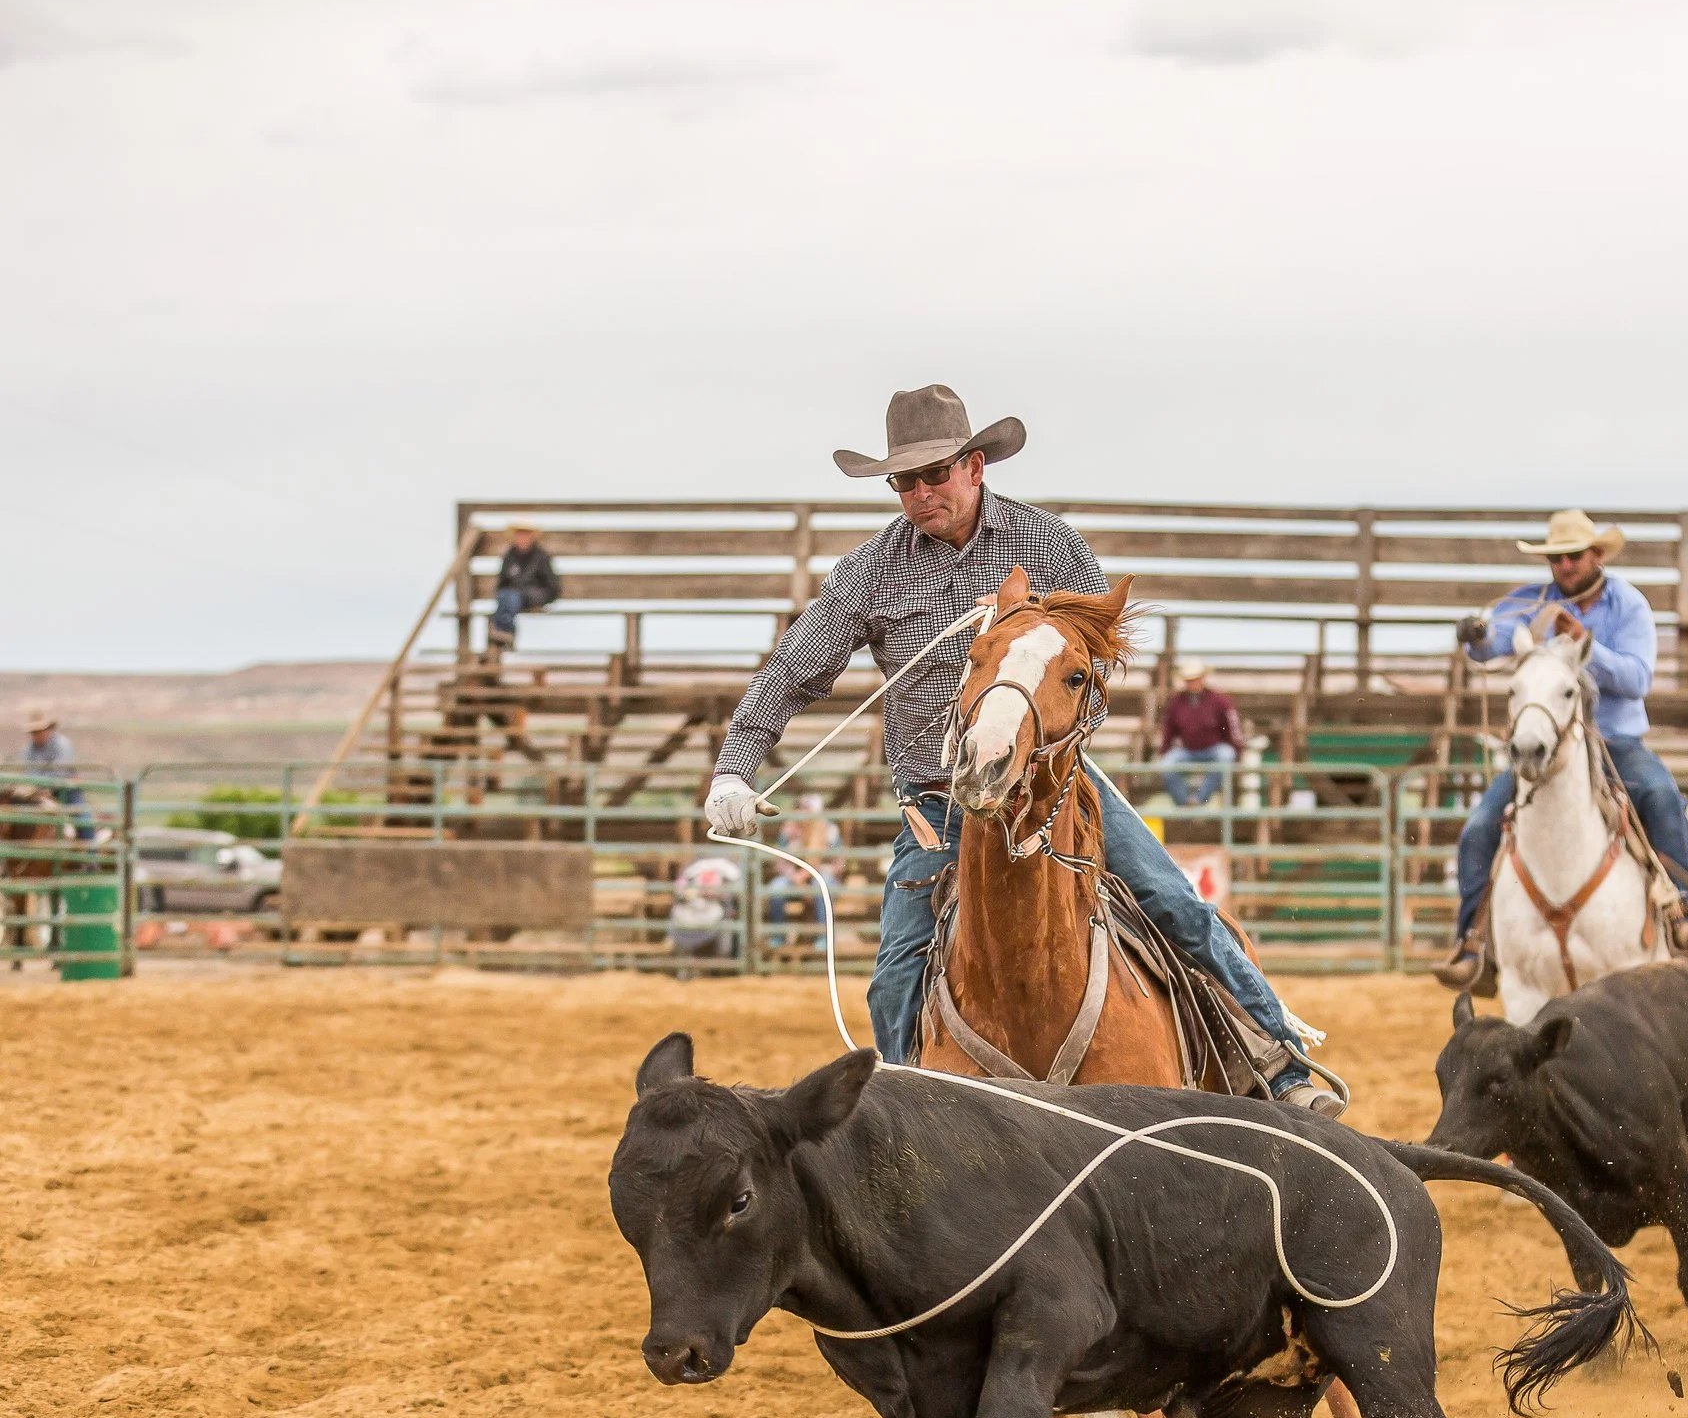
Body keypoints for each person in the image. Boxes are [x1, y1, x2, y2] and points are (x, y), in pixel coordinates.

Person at [701, 385, 1332, 1112]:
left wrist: (1038, 685)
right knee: (895, 974)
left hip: (1055, 789)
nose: (919, 491)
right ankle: (912, 1121)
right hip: (940, 805)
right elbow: (790, 670)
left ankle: (1277, 1061)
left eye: (934, 472)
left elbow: (1096, 673)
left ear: (974, 466)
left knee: (1175, 905)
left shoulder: (1050, 545)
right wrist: (733, 769)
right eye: (903, 480)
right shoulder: (872, 571)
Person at [1432, 508, 1688, 993]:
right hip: (1549, 749)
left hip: (1615, 743)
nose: (1564, 565)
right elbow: (1496, 637)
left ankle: (1684, 911)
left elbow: (1637, 677)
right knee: (1479, 828)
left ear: (1596, 555)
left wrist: (1587, 645)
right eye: (1557, 557)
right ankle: (1473, 943)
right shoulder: (1531, 601)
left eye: (1573, 556)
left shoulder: (1628, 606)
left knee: (1660, 796)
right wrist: (1476, 637)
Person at [1158, 659, 1244, 807]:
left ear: (1202, 678)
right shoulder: (1176, 702)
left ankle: (1199, 800)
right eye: (1189, 680)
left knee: (1226, 756)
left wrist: (1236, 749)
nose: (1192, 683)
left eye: (1195, 679)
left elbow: (1232, 727)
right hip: (1188, 750)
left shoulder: (1220, 701)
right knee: (1167, 764)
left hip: (1213, 748)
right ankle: (1185, 804)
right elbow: (1169, 729)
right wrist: (1164, 750)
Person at [487, 521, 561, 651]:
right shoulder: (510, 556)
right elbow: (501, 584)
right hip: (511, 598)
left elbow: (553, 587)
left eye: (525, 534)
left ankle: (504, 632)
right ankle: (504, 633)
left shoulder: (541, 557)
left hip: (534, 595)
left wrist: (537, 598)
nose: (522, 538)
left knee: (510, 598)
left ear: (532, 536)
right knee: (506, 596)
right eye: (519, 534)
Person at [19, 711, 93, 841]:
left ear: (48, 729)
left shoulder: (62, 744)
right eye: (34, 732)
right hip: (39, 792)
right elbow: (29, 773)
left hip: (67, 791)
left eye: (40, 730)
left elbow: (61, 771)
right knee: (19, 818)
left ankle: (91, 858)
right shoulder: (28, 750)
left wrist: (44, 784)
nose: (37, 735)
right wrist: (40, 787)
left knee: (84, 819)